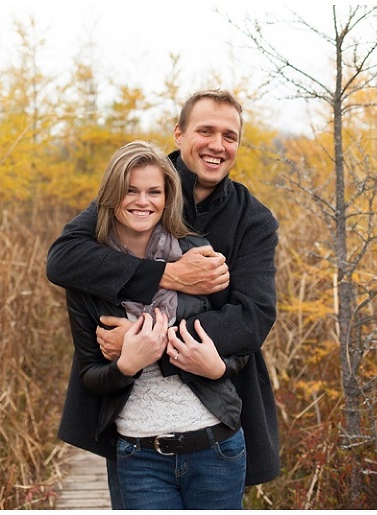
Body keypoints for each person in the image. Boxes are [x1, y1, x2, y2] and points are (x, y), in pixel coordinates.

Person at [52, 90, 280, 501]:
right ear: (179, 134)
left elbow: (252, 319)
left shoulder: (253, 219)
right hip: (133, 421)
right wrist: (168, 275)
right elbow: (64, 259)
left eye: (229, 136)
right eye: (205, 131)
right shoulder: (142, 183)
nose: (217, 145)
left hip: (214, 408)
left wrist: (147, 339)